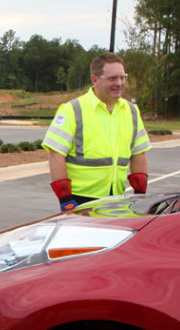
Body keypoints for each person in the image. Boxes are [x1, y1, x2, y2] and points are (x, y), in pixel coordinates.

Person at [42, 52, 151, 211]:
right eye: (112, 78)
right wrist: (65, 199)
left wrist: (140, 194)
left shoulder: (132, 111)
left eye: (122, 77)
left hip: (117, 199)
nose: (119, 83)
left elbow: (139, 153)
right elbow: (56, 154)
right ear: (95, 80)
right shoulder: (72, 110)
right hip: (80, 202)